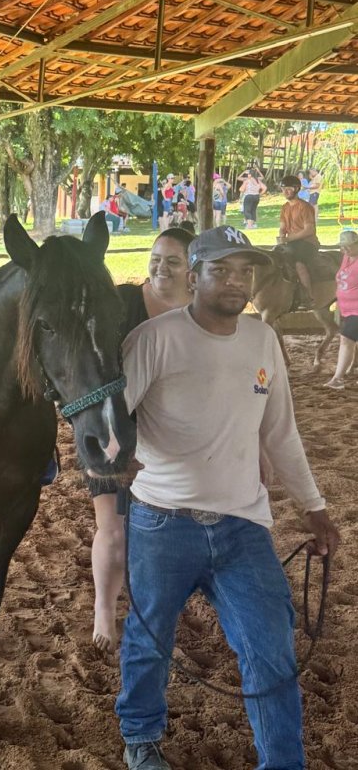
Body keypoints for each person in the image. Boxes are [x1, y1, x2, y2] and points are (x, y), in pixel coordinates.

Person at [114, 225, 339, 770]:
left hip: (242, 525)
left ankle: (283, 763)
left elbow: (280, 431)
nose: (237, 281)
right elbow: (113, 416)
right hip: (161, 521)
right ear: (193, 277)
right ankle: (141, 738)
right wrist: (115, 458)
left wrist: (315, 510)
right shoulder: (153, 339)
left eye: (246, 270)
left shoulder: (263, 339)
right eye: (222, 269)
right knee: (150, 642)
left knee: (272, 649)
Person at [89, 228, 194, 654]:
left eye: (173, 260)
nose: (160, 267)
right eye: (156, 257)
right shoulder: (118, 304)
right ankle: (102, 611)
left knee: (169, 531)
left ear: (193, 270)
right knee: (113, 528)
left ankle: (158, 611)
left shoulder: (201, 314)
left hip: (176, 439)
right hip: (117, 431)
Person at [278, 174, 320, 309]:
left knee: (298, 263)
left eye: (288, 189)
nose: (285, 192)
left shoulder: (305, 207)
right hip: (291, 242)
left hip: (307, 242)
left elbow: (309, 230)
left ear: (296, 189)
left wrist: (288, 238)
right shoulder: (285, 207)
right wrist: (281, 238)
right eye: (283, 189)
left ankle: (309, 297)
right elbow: (282, 227)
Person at [325, 228, 358, 390]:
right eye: (342, 246)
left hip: (357, 311)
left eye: (347, 246)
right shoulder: (347, 257)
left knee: (346, 340)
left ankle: (337, 379)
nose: (343, 249)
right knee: (349, 341)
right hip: (347, 309)